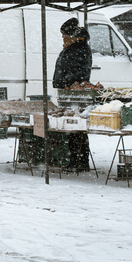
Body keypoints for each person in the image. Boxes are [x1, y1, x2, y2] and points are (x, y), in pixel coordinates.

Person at [52, 18, 92, 171]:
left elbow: (81, 72)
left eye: (65, 36)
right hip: (69, 94)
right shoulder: (74, 47)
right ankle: (76, 161)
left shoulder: (79, 48)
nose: (63, 39)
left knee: (77, 128)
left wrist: (66, 82)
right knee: (73, 129)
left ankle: (80, 161)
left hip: (75, 95)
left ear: (73, 36)